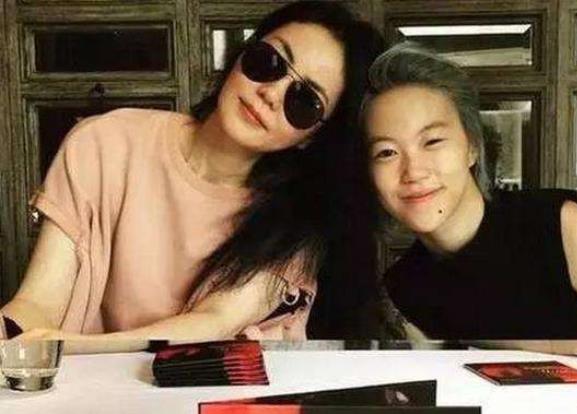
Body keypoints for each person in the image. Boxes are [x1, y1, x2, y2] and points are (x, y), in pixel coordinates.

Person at [0, 1, 386, 350]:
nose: (270, 93)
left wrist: (61, 349)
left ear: (313, 136)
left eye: (304, 101)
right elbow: (38, 301)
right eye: (269, 62)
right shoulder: (104, 142)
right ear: (241, 54)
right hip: (79, 388)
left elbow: (212, 323)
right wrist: (13, 338)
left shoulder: (298, 222)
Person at [359, 43, 577, 362]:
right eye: (386, 152)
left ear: (472, 146)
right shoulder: (406, 284)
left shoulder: (560, 225)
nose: (413, 171)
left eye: (432, 141)